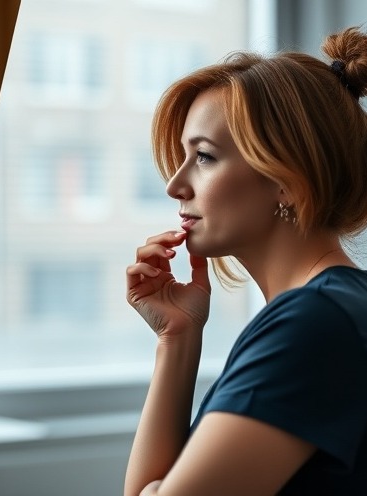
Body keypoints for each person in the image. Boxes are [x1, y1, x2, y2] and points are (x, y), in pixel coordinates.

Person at [124, 26, 367, 495]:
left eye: (206, 157)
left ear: (287, 179)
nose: (175, 185)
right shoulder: (335, 309)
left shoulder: (313, 323)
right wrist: (176, 338)